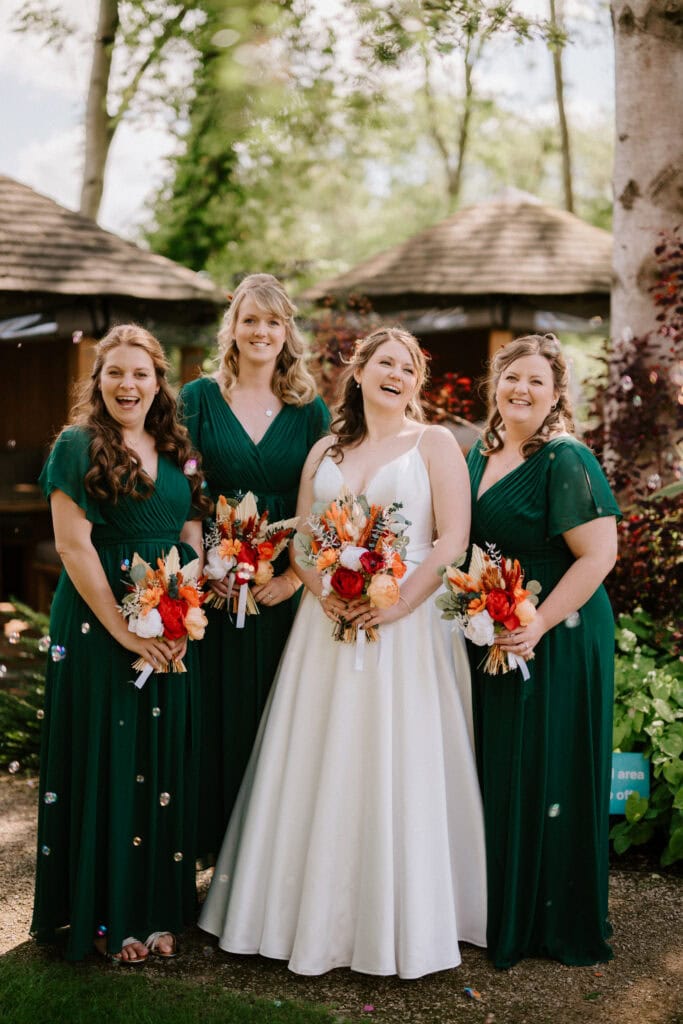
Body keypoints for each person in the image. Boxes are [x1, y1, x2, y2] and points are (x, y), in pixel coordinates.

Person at [199, 326, 487, 978]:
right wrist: (319, 589)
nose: (395, 374)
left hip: (403, 627)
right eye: (383, 361)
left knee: (394, 763)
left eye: (407, 367)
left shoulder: (434, 442)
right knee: (316, 757)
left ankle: (402, 923)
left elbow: (450, 543)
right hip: (323, 624)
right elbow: (302, 535)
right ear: (357, 372)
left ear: (418, 382)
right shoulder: (325, 447)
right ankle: (298, 915)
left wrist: (397, 604)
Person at [31, 324, 212, 963]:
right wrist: (122, 630)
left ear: (159, 381)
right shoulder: (76, 446)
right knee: (108, 756)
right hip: (96, 623)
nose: (128, 384)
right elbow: (74, 546)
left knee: (161, 762)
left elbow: (192, 529)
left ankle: (158, 910)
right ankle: (106, 916)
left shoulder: (179, 447)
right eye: (115, 374)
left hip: (170, 621)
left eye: (140, 374)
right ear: (99, 381)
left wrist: (181, 615)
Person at [466, 333, 620, 969]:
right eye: (512, 377)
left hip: (560, 631)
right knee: (502, 765)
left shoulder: (565, 459)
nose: (521, 390)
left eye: (537, 381)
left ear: (556, 395)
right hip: (493, 627)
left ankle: (552, 916)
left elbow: (599, 555)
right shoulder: (478, 454)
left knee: (548, 764)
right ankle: (500, 904)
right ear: (495, 385)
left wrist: (538, 623)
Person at [180, 274, 330, 863]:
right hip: (212, 582)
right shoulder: (197, 400)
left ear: (286, 331)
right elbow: (184, 484)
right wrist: (201, 565)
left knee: (275, 713)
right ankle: (201, 850)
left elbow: (321, 502)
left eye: (273, 321)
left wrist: (293, 579)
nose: (261, 331)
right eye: (250, 319)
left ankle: (262, 865)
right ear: (233, 329)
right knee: (208, 713)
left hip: (279, 588)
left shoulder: (310, 409)